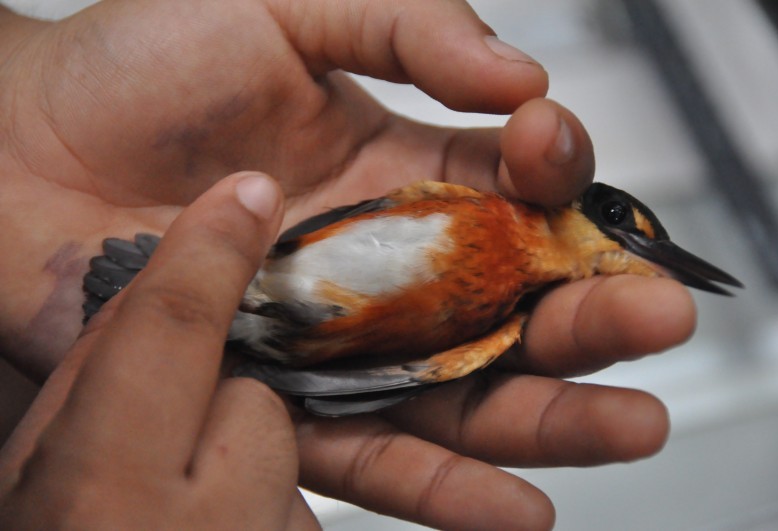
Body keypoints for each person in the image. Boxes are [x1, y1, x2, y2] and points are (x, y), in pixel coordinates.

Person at [0, 0, 697, 529]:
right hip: (259, 280)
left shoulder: (501, 324)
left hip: (269, 336)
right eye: (619, 230)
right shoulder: (480, 210)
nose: (624, 253)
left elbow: (384, 377)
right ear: (580, 213)